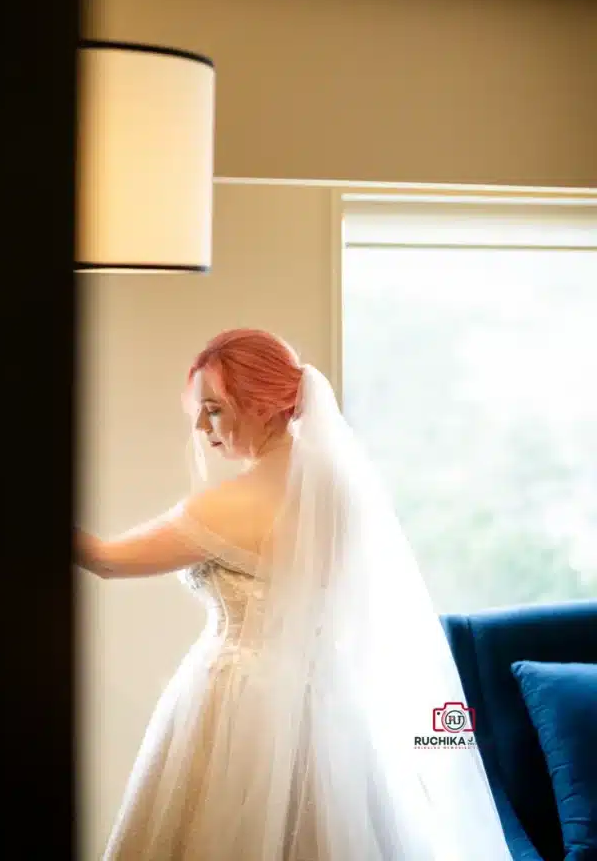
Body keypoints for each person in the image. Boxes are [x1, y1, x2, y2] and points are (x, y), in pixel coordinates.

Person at [74, 329, 513, 860]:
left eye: (213, 408)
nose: (201, 426)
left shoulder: (224, 508)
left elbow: (104, 558)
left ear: (262, 404)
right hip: (328, 703)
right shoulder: (346, 490)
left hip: (235, 703)